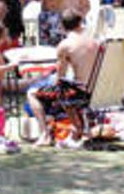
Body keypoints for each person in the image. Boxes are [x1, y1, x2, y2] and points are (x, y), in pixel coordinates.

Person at [27, 10, 99, 148]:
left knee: (32, 93)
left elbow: (60, 78)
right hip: (98, 89)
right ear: (80, 23)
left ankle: (46, 134)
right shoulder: (95, 42)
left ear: (63, 26)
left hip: (80, 93)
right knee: (63, 89)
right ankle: (78, 128)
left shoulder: (65, 45)